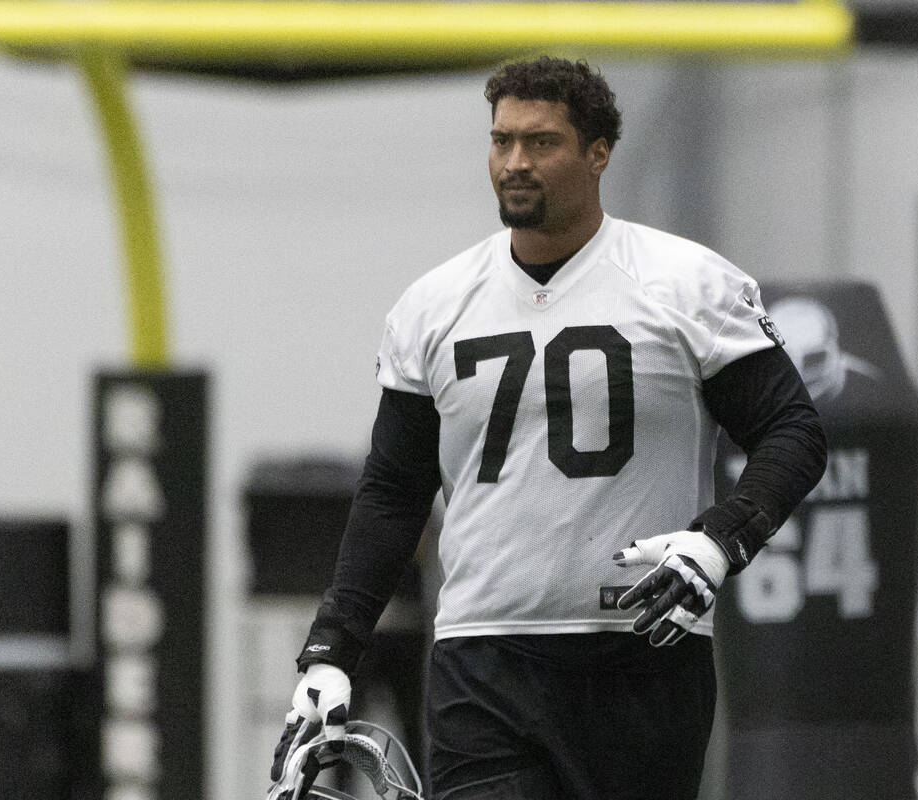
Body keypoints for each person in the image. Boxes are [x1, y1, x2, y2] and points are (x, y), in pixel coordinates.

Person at [269, 55, 827, 800]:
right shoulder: (434, 305)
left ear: (599, 154)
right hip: (482, 658)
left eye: (541, 143)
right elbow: (393, 492)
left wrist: (719, 538)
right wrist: (332, 653)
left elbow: (792, 431)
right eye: (501, 141)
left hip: (641, 654)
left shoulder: (686, 284)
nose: (515, 162)